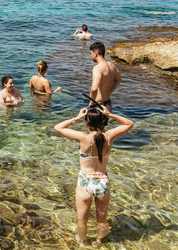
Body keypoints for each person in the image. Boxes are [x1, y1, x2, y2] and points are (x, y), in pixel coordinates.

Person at [54, 105, 134, 246]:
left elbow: (58, 127)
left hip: (85, 181)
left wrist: (76, 118)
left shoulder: (83, 138)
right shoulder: (109, 137)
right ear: (104, 121)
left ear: (86, 123)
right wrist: (110, 114)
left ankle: (84, 242)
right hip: (103, 181)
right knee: (102, 221)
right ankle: (99, 242)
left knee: (82, 220)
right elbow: (129, 123)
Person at [89, 42, 121, 113]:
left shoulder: (98, 68)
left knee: (92, 124)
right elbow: (118, 80)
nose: (91, 56)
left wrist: (92, 102)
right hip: (108, 104)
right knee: (103, 124)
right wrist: (109, 91)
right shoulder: (112, 66)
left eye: (91, 53)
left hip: (98, 105)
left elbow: (94, 89)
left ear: (95, 53)